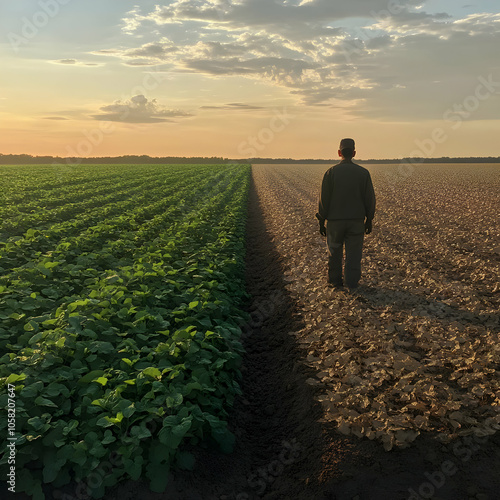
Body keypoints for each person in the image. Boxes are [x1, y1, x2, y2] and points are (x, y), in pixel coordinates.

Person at [316, 138, 376, 291]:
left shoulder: (331, 173)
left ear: (339, 153)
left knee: (334, 253)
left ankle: (334, 282)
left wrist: (321, 220)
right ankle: (351, 284)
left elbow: (324, 199)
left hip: (335, 222)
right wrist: (369, 219)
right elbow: (370, 198)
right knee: (354, 255)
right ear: (354, 153)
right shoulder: (363, 173)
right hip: (356, 221)